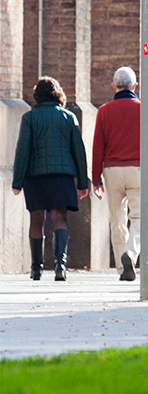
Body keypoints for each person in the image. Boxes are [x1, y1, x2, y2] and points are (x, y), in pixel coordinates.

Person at [9, 77, 90, 281]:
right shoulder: (69, 117)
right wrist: (82, 182)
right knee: (59, 219)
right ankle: (60, 266)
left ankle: (36, 269)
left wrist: (17, 181)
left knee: (36, 221)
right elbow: (79, 151)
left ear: (37, 95)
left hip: (35, 176)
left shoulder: (30, 118)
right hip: (61, 176)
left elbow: (22, 151)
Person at [92, 66, 141, 281]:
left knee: (117, 219)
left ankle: (122, 268)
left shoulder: (104, 111)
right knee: (140, 217)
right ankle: (131, 252)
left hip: (112, 170)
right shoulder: (144, 109)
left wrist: (95, 179)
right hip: (139, 169)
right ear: (135, 86)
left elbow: (97, 146)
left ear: (114, 86)